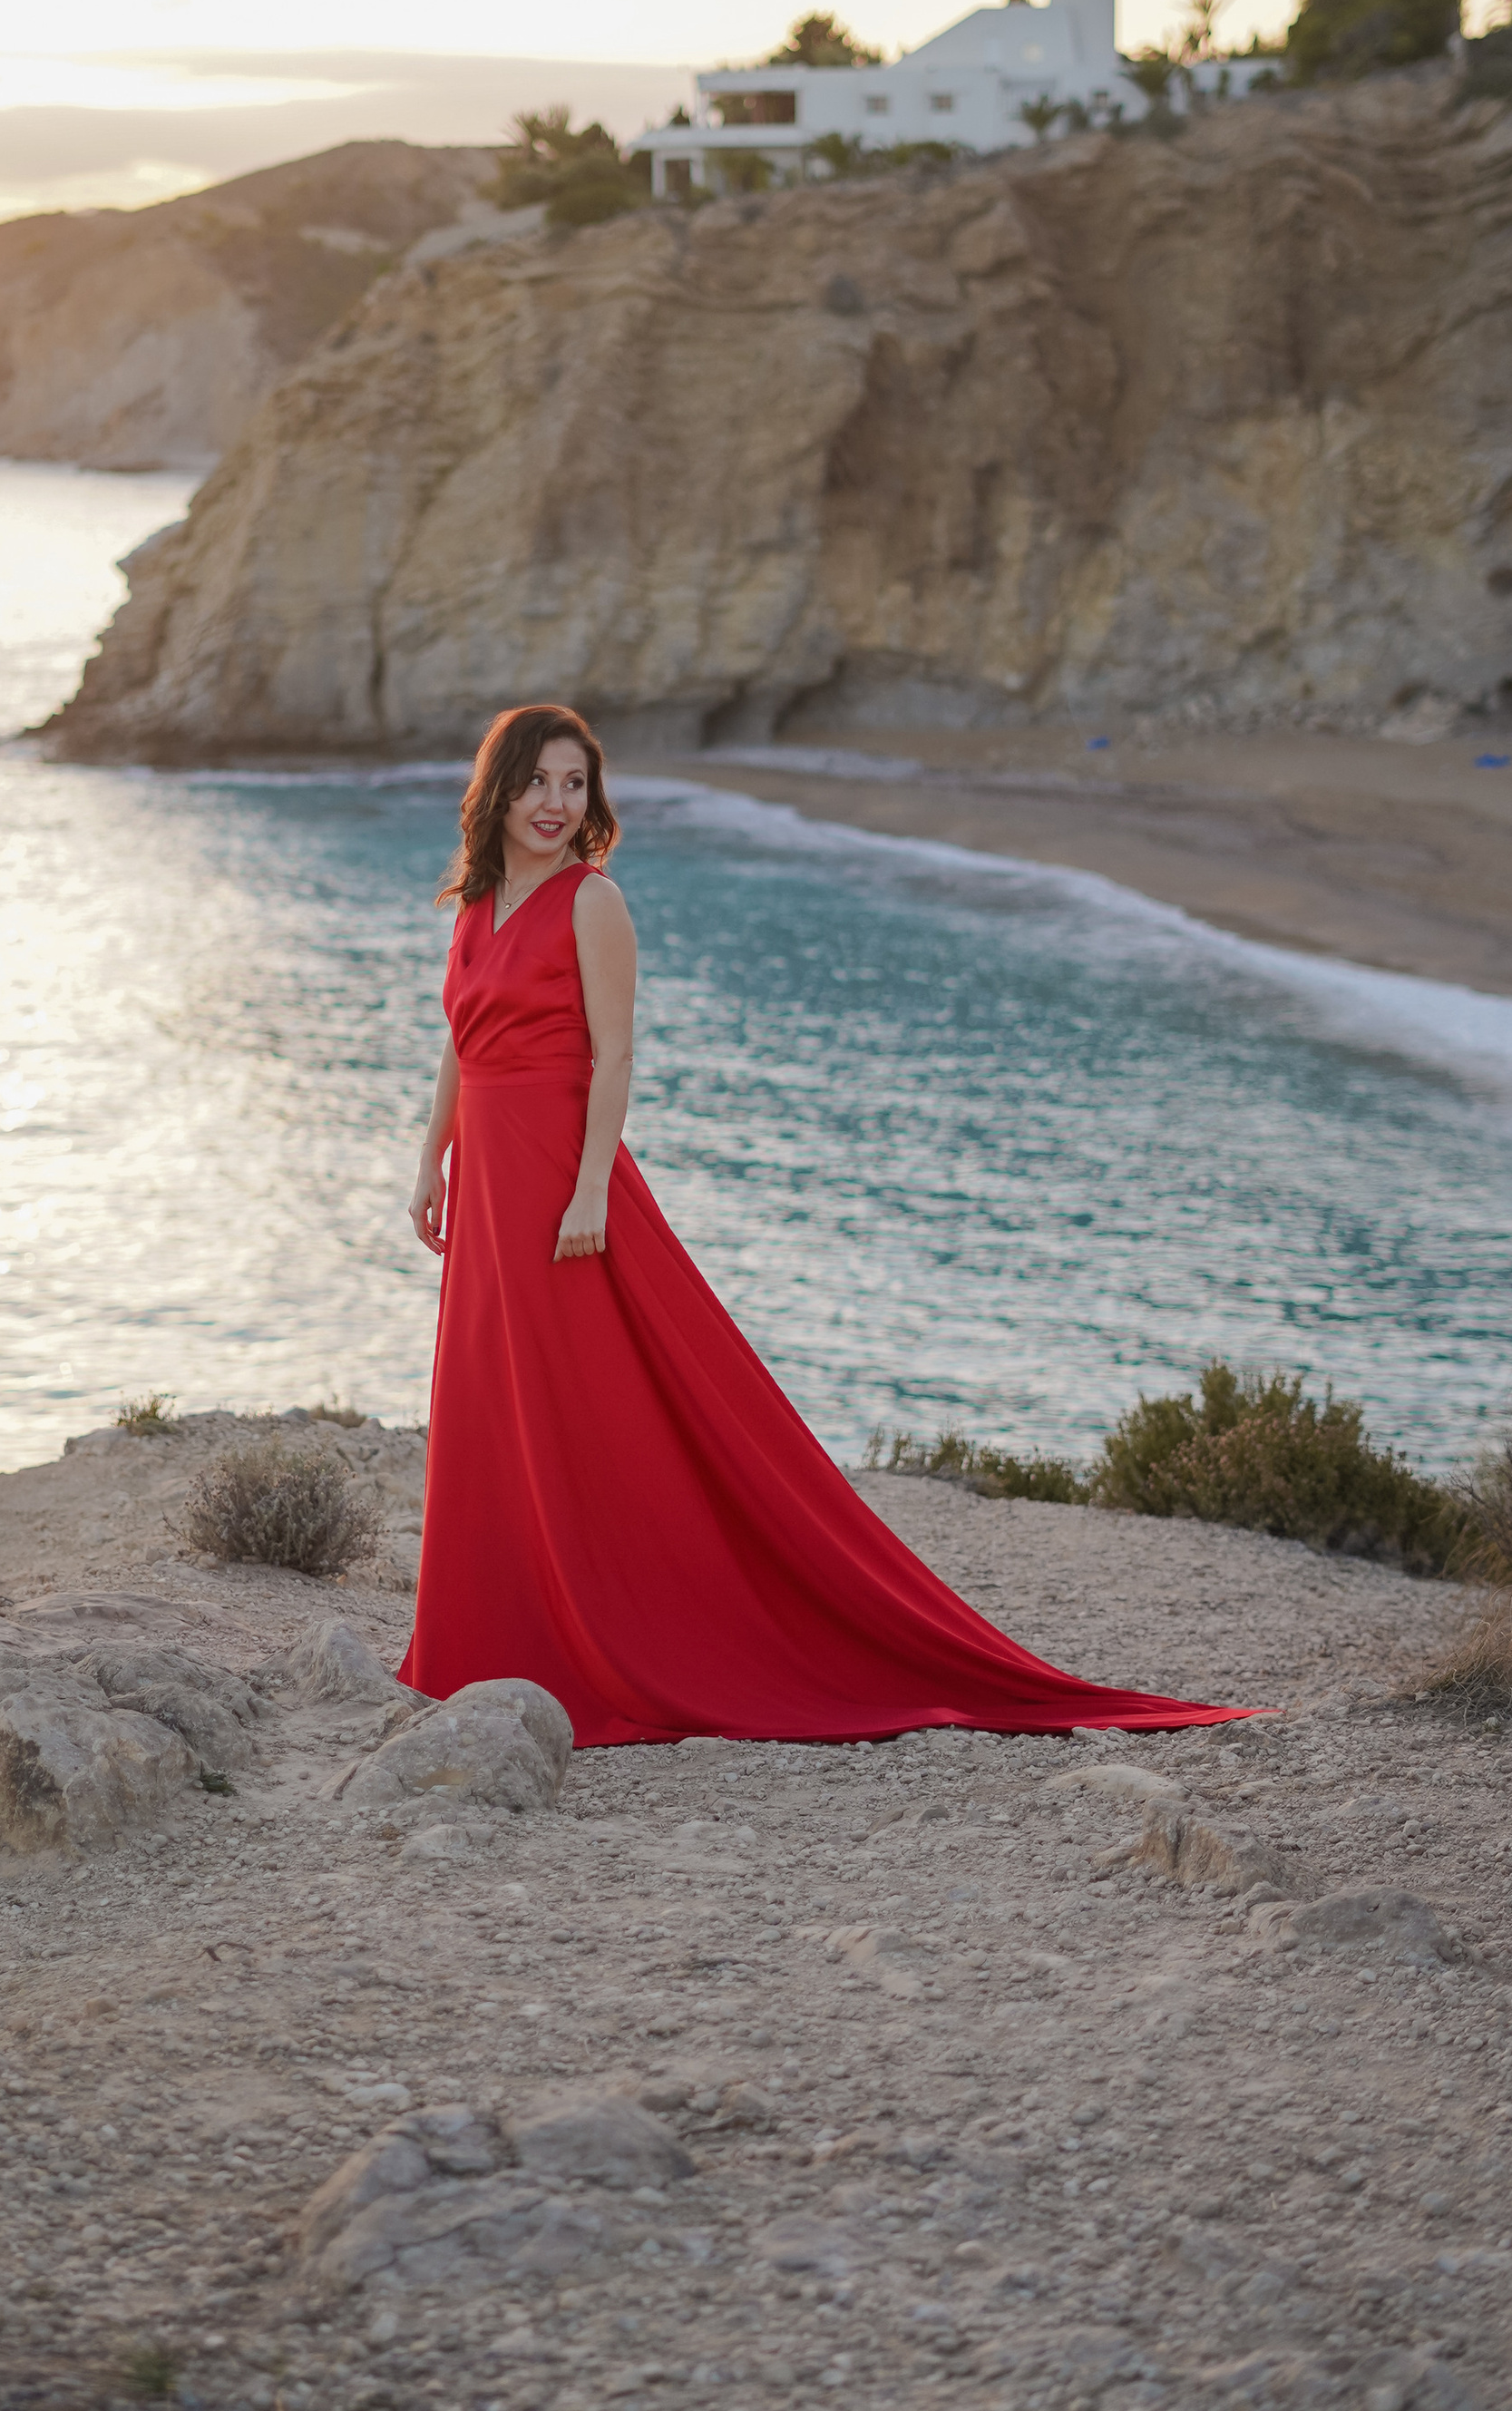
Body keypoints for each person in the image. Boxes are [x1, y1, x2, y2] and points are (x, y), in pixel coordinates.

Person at [402, 701, 1246, 1747]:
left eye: (574, 785)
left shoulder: (592, 903)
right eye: (536, 783)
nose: (555, 804)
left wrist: (586, 1191)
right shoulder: (475, 900)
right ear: (501, 791)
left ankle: (612, 1623)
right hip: (484, 1174)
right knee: (496, 1396)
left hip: (556, 1181)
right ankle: (494, 1631)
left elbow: (613, 1059)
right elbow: (459, 1039)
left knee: (594, 1403)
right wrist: (429, 1156)